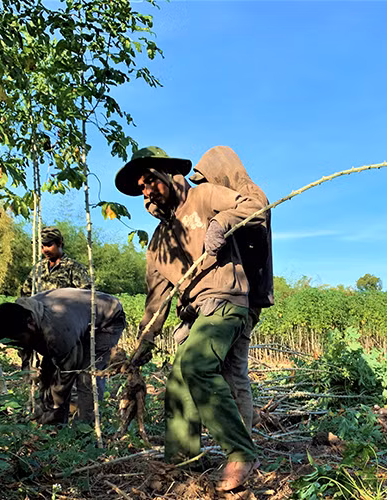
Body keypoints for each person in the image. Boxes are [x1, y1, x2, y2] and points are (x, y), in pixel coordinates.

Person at [114, 146, 264, 492]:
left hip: (227, 301)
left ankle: (242, 453)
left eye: (151, 180)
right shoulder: (158, 244)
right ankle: (182, 458)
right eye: (141, 187)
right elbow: (157, 300)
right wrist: (144, 344)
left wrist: (221, 222)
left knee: (197, 366)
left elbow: (254, 206)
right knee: (180, 380)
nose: (147, 191)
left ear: (171, 175)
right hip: (198, 315)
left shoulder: (204, 196)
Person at [188, 145, 274, 431]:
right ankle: (240, 434)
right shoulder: (225, 198)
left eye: (206, 181)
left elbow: (256, 211)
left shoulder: (250, 194)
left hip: (243, 299)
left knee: (234, 370)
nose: (205, 189)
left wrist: (219, 222)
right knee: (225, 370)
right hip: (231, 297)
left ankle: (243, 444)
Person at [0, 288, 125, 425]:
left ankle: (86, 428)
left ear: (31, 324)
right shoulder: (19, 315)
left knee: (87, 375)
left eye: (20, 339)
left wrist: (56, 408)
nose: (18, 345)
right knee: (49, 371)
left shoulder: (56, 333)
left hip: (108, 319)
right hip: (78, 320)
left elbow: (67, 373)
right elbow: (41, 361)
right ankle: (54, 420)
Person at [20, 226, 91, 296]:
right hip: (39, 307)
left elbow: (87, 296)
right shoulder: (38, 268)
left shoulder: (73, 267)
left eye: (49, 245)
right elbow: (26, 293)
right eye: (42, 247)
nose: (45, 250)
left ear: (59, 243)